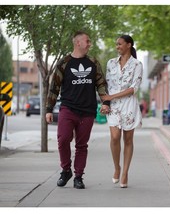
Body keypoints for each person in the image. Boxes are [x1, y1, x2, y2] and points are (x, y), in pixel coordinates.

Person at [45, 30, 110, 189]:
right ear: (77, 43)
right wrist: (49, 108)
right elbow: (54, 87)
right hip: (68, 108)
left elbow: (101, 84)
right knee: (63, 139)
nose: (89, 44)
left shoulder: (93, 63)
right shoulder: (64, 63)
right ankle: (66, 170)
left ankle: (78, 176)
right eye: (87, 41)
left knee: (82, 145)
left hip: (87, 111)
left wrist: (106, 102)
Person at [101, 34, 143, 188]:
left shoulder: (137, 64)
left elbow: (134, 88)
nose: (117, 47)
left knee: (128, 140)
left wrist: (111, 96)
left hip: (129, 105)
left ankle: (125, 172)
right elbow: (106, 86)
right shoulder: (111, 63)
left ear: (129, 45)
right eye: (116, 44)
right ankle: (117, 167)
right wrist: (106, 102)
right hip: (113, 106)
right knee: (114, 137)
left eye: (119, 44)